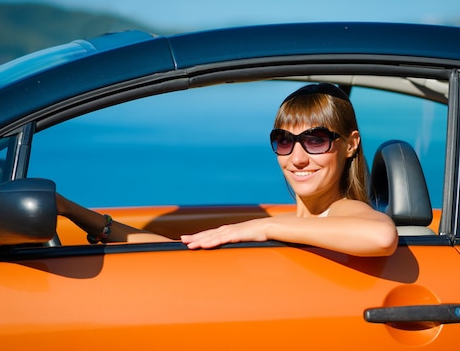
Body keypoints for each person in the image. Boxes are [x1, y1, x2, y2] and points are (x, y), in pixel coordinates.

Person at [57, 83, 398, 257]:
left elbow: (381, 237)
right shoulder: (304, 224)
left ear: (350, 144)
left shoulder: (342, 211)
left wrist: (261, 228)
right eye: (284, 141)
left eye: (316, 140)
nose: (296, 158)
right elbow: (176, 254)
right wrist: (74, 212)